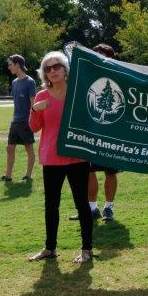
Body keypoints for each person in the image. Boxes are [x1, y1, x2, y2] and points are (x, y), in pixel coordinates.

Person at [28, 51, 94, 263]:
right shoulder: (41, 96)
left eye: (56, 66)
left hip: (77, 157)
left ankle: (87, 250)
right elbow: (34, 127)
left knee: (82, 204)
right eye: (47, 69)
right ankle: (50, 248)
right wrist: (35, 110)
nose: (52, 71)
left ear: (65, 69)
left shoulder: (79, 92)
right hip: (52, 159)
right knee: (51, 205)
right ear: (44, 74)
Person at [69, 43, 120, 222]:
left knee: (110, 172)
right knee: (88, 171)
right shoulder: (86, 75)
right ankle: (91, 209)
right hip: (90, 132)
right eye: (97, 55)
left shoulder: (120, 75)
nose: (100, 59)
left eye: (104, 56)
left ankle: (108, 208)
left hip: (112, 132)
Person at [0, 55, 36, 182]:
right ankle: (8, 176)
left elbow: (33, 105)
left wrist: (32, 121)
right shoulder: (14, 82)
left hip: (26, 121)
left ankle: (28, 175)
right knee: (9, 148)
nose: (9, 67)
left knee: (29, 148)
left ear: (17, 64)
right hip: (15, 121)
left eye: (10, 64)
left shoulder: (30, 82)